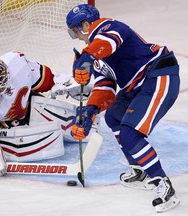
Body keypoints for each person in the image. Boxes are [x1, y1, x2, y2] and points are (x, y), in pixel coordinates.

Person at [66, 4, 180, 213]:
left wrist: (88, 57)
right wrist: (90, 110)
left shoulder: (108, 27)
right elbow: (105, 88)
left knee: (129, 134)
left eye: (76, 31)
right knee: (114, 117)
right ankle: (139, 169)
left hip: (158, 75)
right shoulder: (96, 54)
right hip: (137, 86)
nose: (77, 37)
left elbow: (108, 42)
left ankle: (163, 184)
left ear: (85, 24)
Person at [0, 51, 93, 178]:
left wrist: (63, 83)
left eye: (2, 87)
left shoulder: (18, 64)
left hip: (21, 107)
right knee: (38, 141)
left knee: (48, 109)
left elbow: (43, 77)